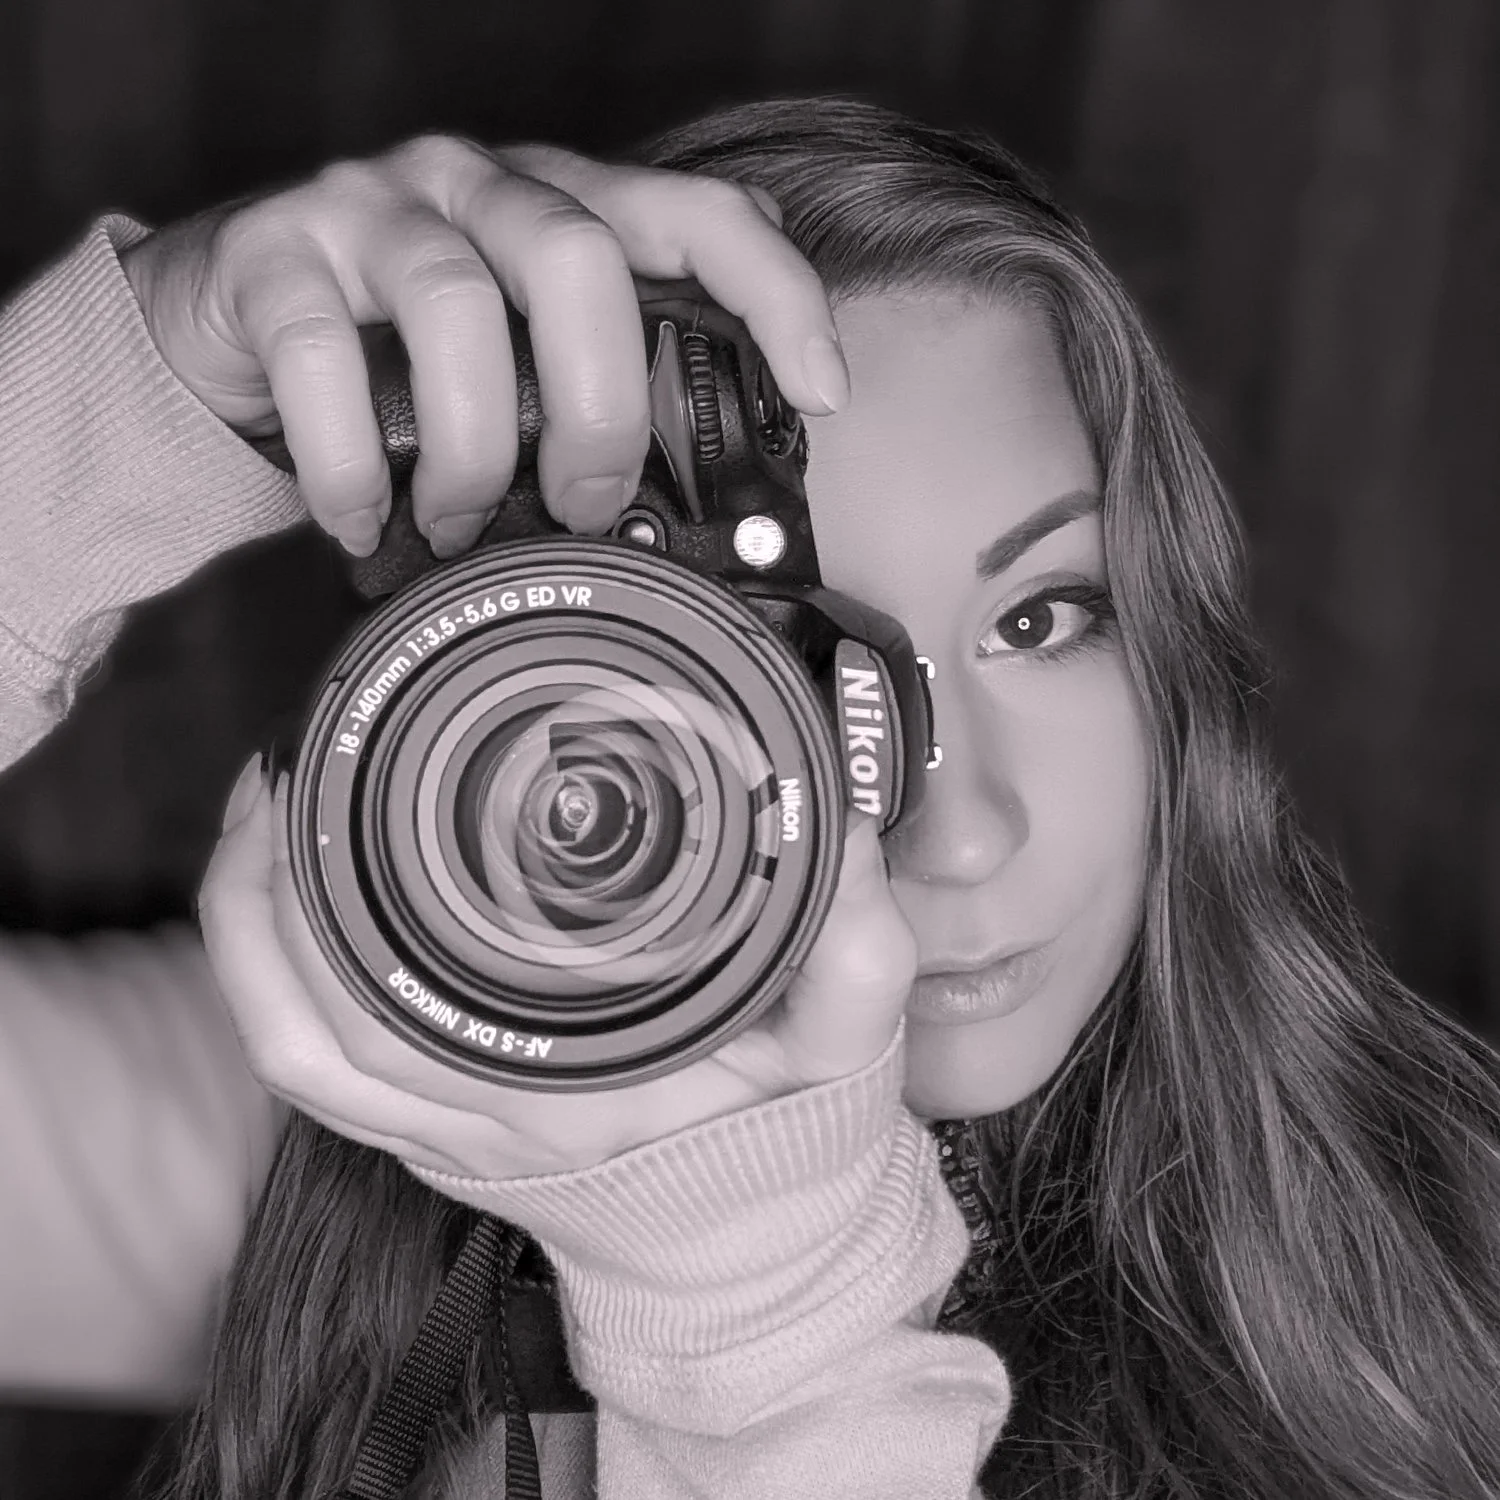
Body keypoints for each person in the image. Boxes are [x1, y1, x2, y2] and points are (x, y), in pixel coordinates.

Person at [2, 95, 1498, 1499]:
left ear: (1175, 642)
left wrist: (759, 1329)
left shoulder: (1465, 1279)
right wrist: (101, 427)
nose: (957, 830)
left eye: (1042, 620)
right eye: (784, 668)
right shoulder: (324, 1105)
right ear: (522, 686)